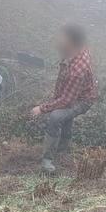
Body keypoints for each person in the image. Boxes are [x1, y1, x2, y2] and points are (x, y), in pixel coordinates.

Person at [30, 24, 97, 174]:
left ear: (71, 41)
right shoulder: (74, 50)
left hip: (82, 100)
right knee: (63, 115)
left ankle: (47, 162)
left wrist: (41, 108)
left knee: (56, 116)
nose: (58, 40)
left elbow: (67, 100)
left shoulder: (77, 70)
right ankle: (63, 150)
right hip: (73, 95)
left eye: (62, 38)